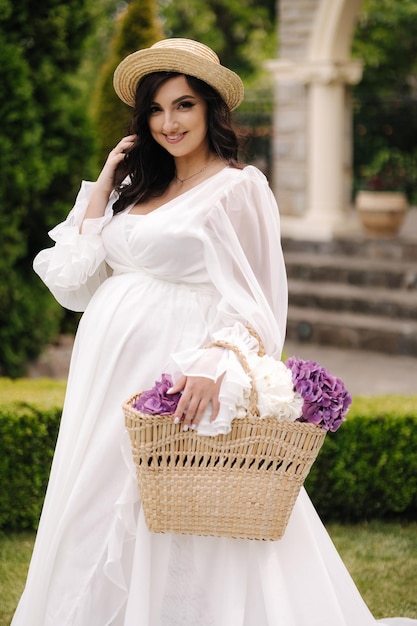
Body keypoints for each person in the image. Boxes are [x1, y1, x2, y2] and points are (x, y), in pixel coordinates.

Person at [12, 38, 416, 626]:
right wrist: (103, 183)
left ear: (210, 110)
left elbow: (259, 301)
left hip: (175, 370)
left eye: (183, 106)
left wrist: (214, 361)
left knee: (179, 508)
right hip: (104, 379)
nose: (168, 123)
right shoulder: (137, 191)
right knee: (92, 504)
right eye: (155, 110)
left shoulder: (239, 187)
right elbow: (72, 283)